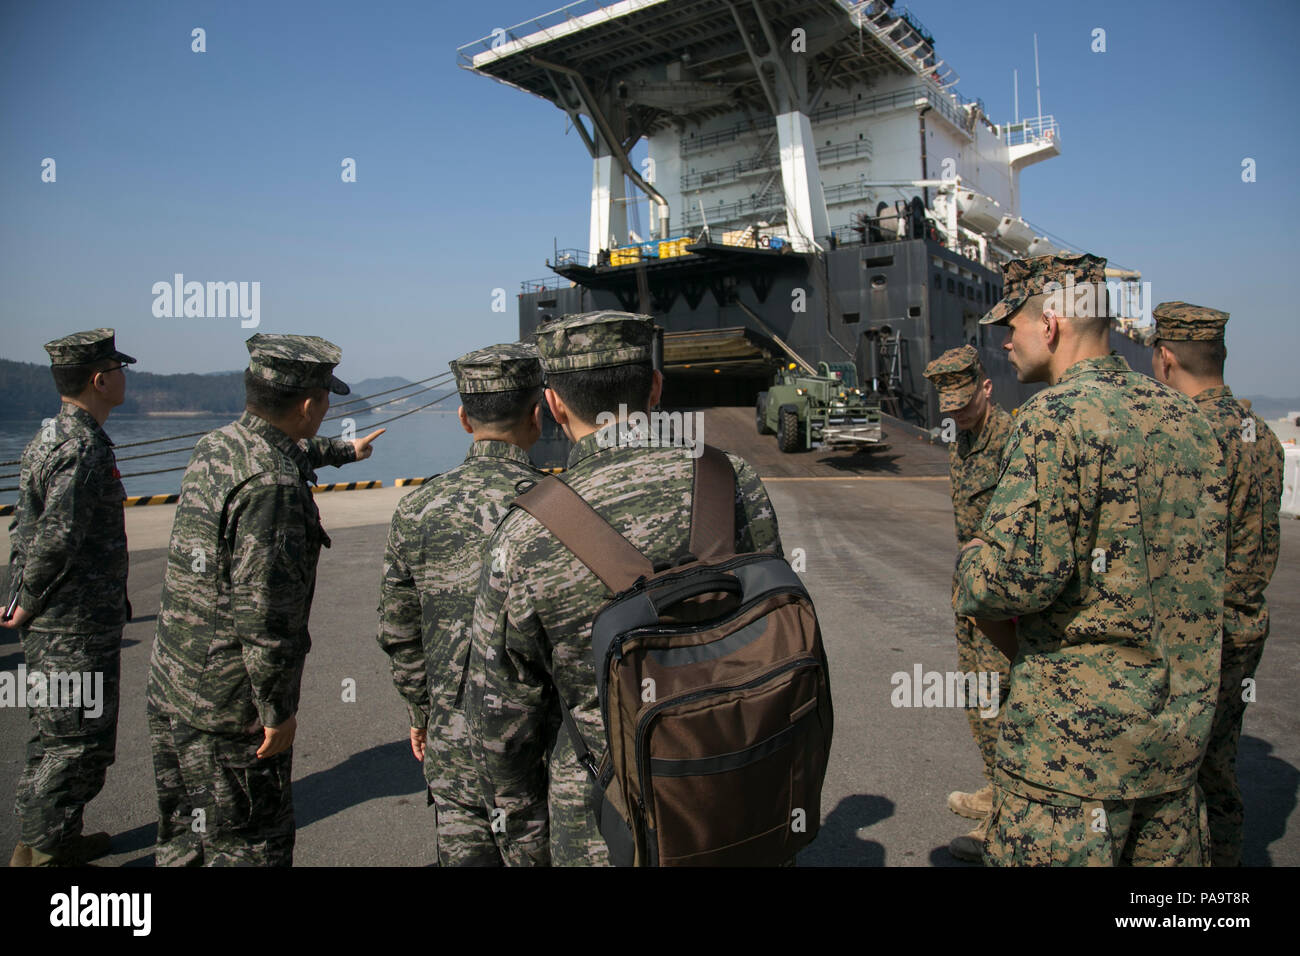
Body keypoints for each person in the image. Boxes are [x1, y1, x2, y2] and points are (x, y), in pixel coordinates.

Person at [466, 311, 782, 866]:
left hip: (604, 825)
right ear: (656, 388)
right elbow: (770, 618)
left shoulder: (524, 531)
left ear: (553, 405)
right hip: (740, 797)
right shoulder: (731, 478)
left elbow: (503, 716)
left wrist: (522, 844)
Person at [954, 253, 1228, 866]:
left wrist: (973, 561)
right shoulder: (1188, 421)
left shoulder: (1051, 420)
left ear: (1050, 323)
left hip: (1070, 767)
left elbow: (1007, 585)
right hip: (1174, 756)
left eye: (1012, 326)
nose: (1005, 343)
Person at [145, 333, 383, 866]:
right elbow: (265, 619)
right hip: (230, 710)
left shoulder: (219, 444)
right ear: (308, 404)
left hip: (173, 685)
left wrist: (346, 450)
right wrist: (276, 711)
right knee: (249, 847)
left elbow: (290, 448)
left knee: (183, 841)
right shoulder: (273, 488)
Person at [377, 343, 544, 866]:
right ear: (538, 414)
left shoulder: (417, 507)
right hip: (539, 746)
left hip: (453, 744)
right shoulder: (564, 508)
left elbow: (399, 630)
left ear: (462, 419)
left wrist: (419, 711)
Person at [1150, 301, 1287, 867]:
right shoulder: (1266, 436)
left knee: (1171, 783)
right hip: (1247, 626)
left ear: (1164, 359)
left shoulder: (1183, 435)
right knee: (1219, 768)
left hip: (1192, 638)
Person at [5, 330, 134, 867]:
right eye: (118, 368)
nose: (126, 375)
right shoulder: (81, 447)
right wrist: (29, 599)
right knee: (75, 744)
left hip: (67, 621)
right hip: (72, 624)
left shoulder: (49, 436)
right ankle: (41, 856)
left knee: (56, 736)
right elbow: (56, 536)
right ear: (99, 380)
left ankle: (53, 838)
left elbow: (23, 527)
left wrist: (22, 595)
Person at [921, 344, 1013, 863]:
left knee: (1007, 703)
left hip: (1006, 603)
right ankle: (995, 787)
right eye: (949, 407)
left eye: (965, 402)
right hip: (973, 597)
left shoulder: (1014, 439)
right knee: (978, 696)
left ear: (987, 387)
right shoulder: (964, 441)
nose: (957, 413)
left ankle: (1008, 823)